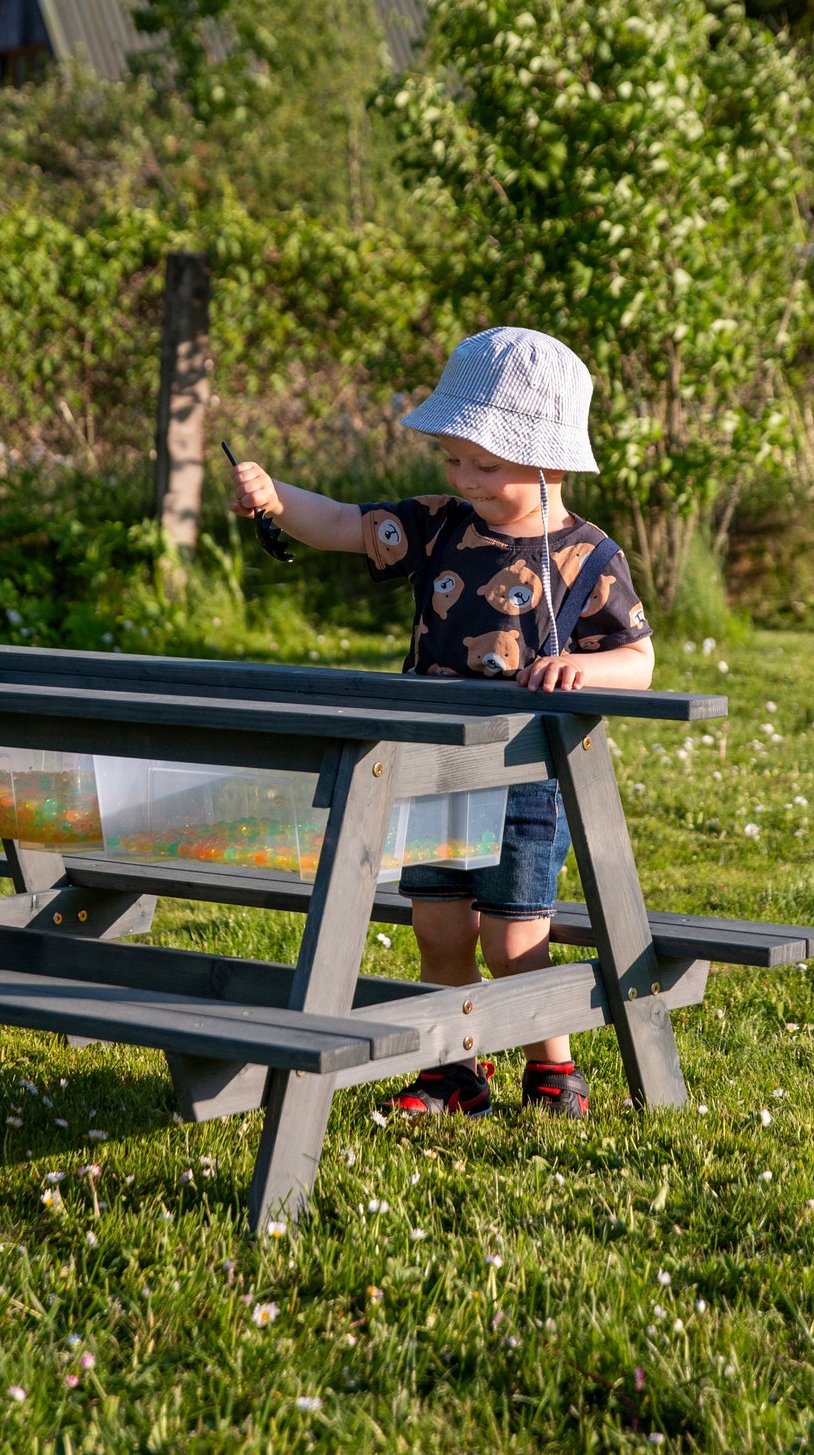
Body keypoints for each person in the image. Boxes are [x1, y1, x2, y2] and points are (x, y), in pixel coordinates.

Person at [229, 326, 655, 1120]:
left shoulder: (589, 557)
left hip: (527, 778)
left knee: (512, 937)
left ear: (550, 461)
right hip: (432, 766)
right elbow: (344, 524)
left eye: (484, 465)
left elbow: (638, 660)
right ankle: (456, 1068)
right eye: (453, 460)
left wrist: (584, 670)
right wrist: (277, 499)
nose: (464, 478)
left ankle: (553, 1068)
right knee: (440, 929)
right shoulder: (441, 527)